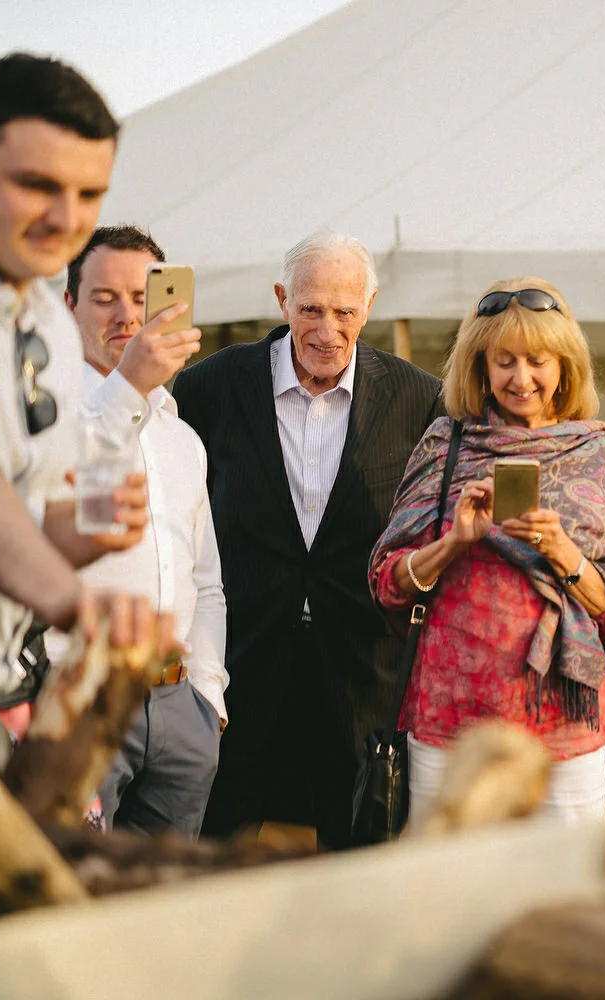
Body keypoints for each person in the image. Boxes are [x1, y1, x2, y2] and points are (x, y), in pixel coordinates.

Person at [173, 232, 444, 849]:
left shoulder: (417, 397)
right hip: (241, 662)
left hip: (359, 670)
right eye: (310, 309)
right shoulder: (209, 388)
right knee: (212, 849)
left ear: (369, 307)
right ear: (281, 300)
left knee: (359, 858)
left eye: (344, 311)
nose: (327, 328)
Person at [369, 277, 605, 825]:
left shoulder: (598, 453)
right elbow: (387, 583)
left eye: (537, 360)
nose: (521, 378)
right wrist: (453, 542)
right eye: (504, 361)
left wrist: (562, 550)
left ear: (564, 364)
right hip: (449, 720)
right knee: (452, 892)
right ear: (480, 366)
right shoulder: (446, 443)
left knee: (564, 890)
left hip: (563, 726)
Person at [0, 54, 153, 763]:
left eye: (89, 193)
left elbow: (26, 512)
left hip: (1, 696)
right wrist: (76, 601)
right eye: (36, 185)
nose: (65, 219)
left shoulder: (47, 316)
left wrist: (90, 529)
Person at [52, 225, 225, 835]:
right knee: (74, 891)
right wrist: (128, 383)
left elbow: (204, 580)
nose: (127, 314)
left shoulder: (182, 439)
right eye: (105, 297)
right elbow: (79, 486)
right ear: (68, 304)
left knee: (163, 902)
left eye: (140, 297)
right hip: (81, 696)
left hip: (180, 709)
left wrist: (208, 694)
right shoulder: (42, 416)